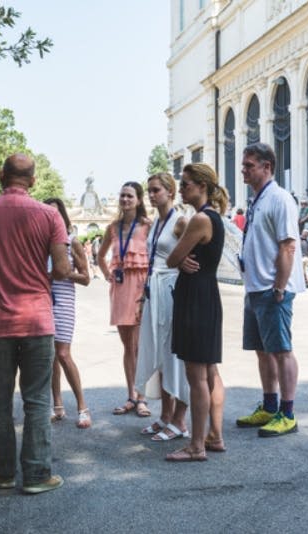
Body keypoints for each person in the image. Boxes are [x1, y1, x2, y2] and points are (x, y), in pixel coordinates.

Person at [0, 153, 71, 494]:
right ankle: (38, 475)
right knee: (38, 400)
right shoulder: (50, 214)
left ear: (1, 175)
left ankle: (4, 473)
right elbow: (60, 269)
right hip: (37, 318)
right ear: (34, 180)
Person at [236, 142, 305, 438]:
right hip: (256, 287)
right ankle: (269, 405)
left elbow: (288, 245)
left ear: (267, 167)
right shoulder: (257, 200)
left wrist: (279, 287)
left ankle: (287, 414)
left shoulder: (279, 199)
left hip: (272, 288)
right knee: (262, 351)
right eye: (244, 164)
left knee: (281, 350)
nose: (243, 169)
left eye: (249, 165)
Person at [164, 163, 227, 462]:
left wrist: (181, 257)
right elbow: (179, 256)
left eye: (187, 183)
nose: (183, 187)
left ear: (202, 186)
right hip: (206, 295)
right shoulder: (210, 217)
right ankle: (214, 437)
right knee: (209, 371)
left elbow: (172, 257)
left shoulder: (200, 219)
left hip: (196, 298)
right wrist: (183, 257)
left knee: (197, 375)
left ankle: (196, 445)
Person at [134, 172, 190, 442]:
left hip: (170, 291)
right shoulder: (157, 222)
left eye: (156, 190)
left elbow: (191, 254)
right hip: (153, 291)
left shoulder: (180, 222)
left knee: (174, 355)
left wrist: (183, 264)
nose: (151, 194)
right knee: (159, 354)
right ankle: (165, 415)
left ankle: (180, 420)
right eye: (149, 191)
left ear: (170, 191)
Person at [97, 182, 152, 418]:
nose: (125, 200)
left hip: (141, 286)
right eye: (122, 195)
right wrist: (108, 275)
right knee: (127, 346)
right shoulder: (113, 227)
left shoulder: (148, 226)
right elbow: (100, 257)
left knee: (139, 345)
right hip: (120, 288)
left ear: (139, 200)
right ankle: (131, 395)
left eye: (130, 196)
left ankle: (142, 397)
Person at [44, 198, 92, 429]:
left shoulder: (72, 242)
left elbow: (85, 278)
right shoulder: (39, 243)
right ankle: (57, 406)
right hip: (41, 300)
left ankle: (82, 408)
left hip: (62, 300)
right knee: (50, 356)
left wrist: (62, 274)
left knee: (63, 354)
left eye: (55, 214)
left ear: (62, 217)